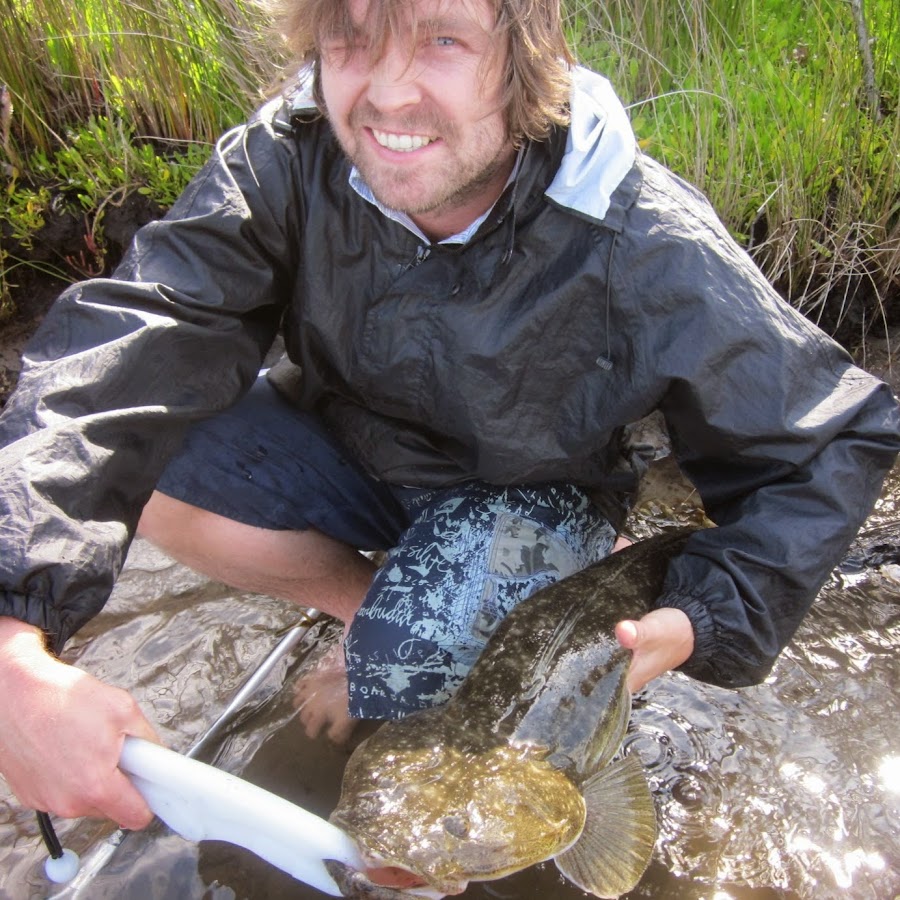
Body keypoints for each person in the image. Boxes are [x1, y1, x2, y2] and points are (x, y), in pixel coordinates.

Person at [0, 0, 898, 840]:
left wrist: (704, 612)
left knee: (423, 721)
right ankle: (368, 611)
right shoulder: (282, 162)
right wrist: (10, 642)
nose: (389, 93)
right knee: (146, 452)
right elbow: (122, 352)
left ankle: (458, 620)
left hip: (535, 490)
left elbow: (827, 440)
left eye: (442, 39)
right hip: (356, 450)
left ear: (524, 57)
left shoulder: (644, 239)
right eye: (354, 36)